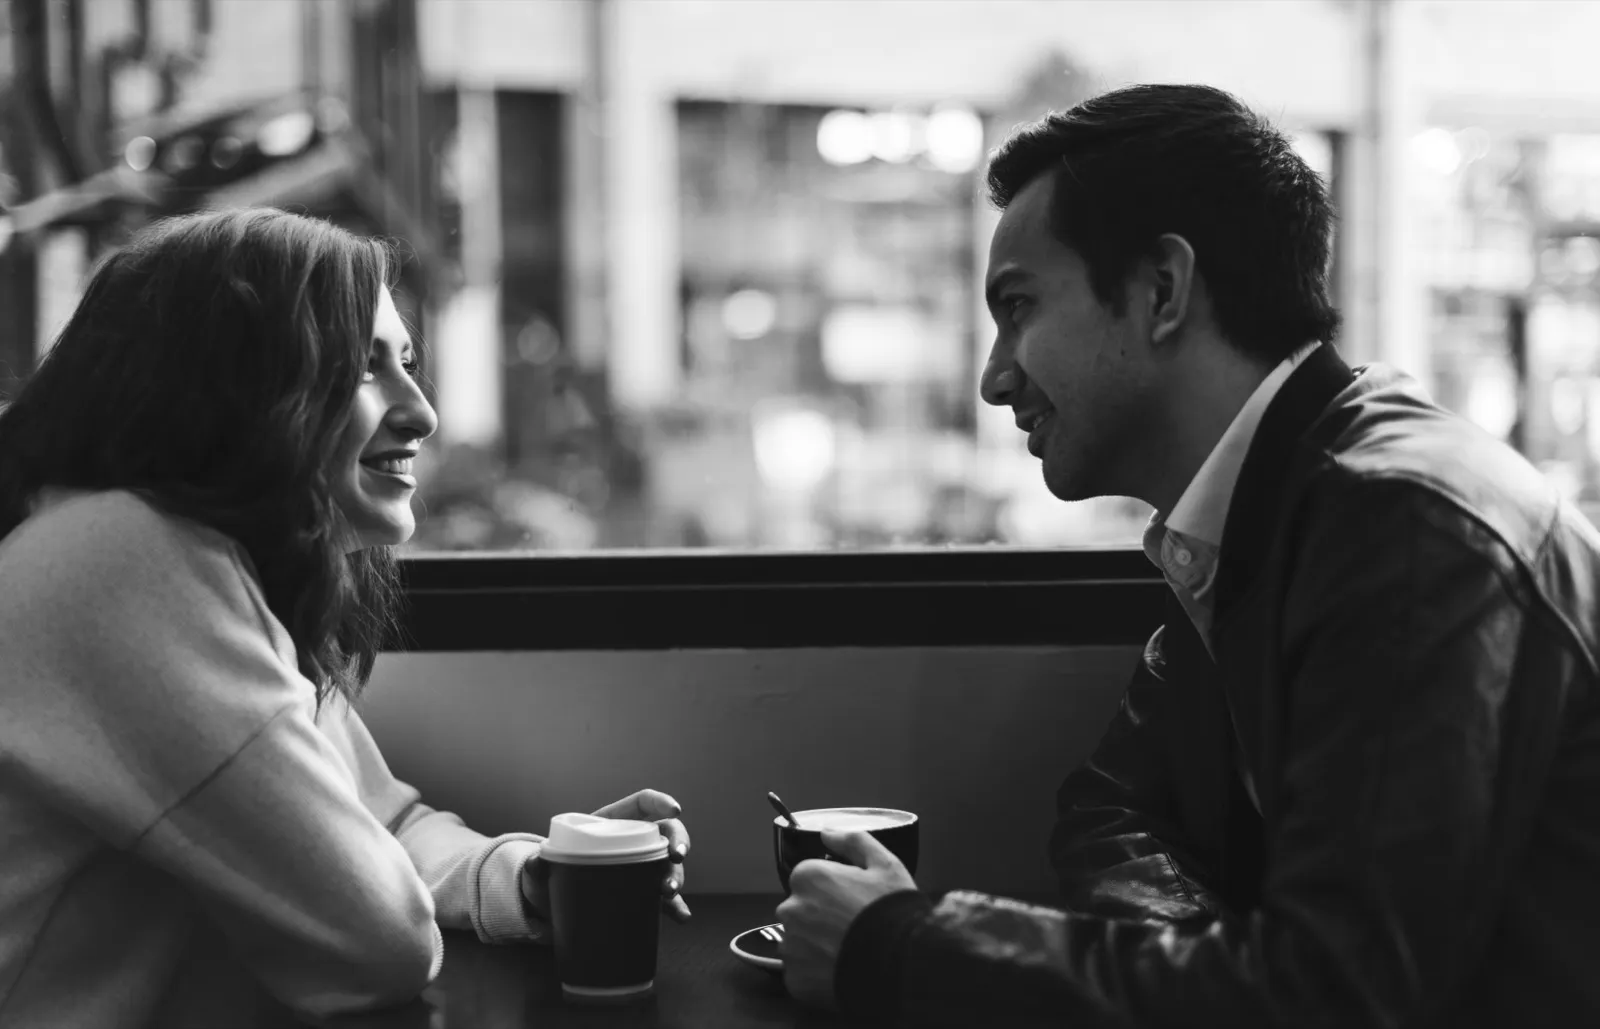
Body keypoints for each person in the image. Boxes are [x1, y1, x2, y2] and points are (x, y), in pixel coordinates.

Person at [779, 83, 1600, 1027]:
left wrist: (905, 947)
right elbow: (1113, 805)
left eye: (1018, 307)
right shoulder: (1267, 499)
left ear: (1162, 291)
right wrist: (1196, 964)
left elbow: (1338, 997)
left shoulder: (1400, 528)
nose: (994, 375)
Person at [0, 208, 691, 1028]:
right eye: (365, 369)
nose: (421, 413)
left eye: (407, 362)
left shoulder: (207, 564)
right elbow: (380, 940)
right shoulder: (120, 562)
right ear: (234, 387)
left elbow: (381, 818)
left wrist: (533, 876)